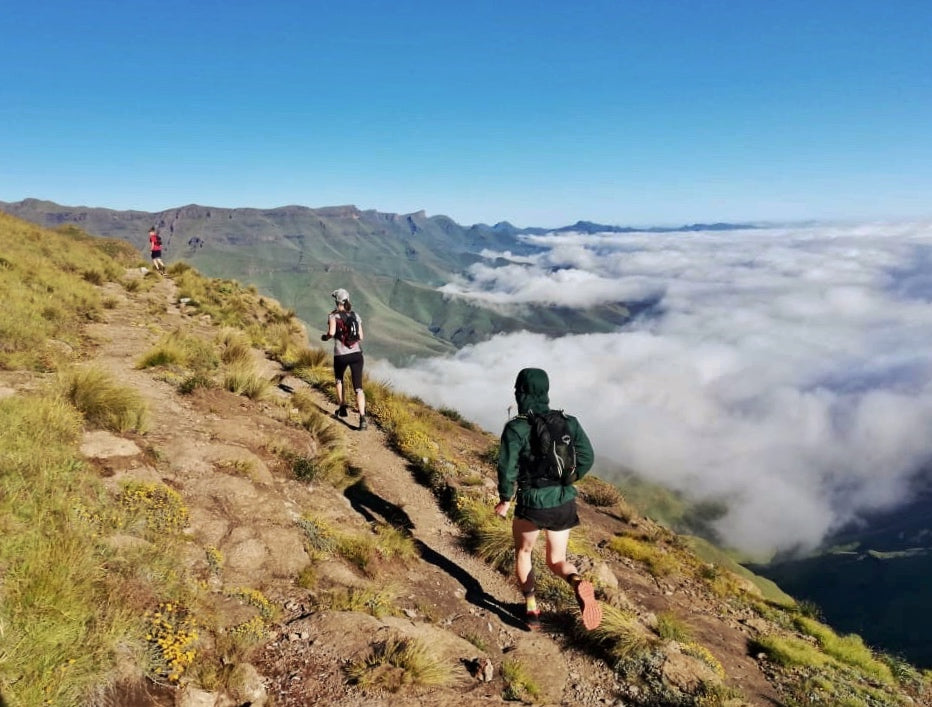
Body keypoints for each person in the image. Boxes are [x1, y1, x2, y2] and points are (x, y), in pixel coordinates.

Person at [494, 367, 601, 631]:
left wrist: (505, 500)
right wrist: (567, 482)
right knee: (557, 561)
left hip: (532, 504)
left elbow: (507, 469)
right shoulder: (569, 422)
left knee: (524, 552)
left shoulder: (517, 428)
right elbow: (587, 458)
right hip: (563, 503)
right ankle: (576, 581)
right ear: (546, 391)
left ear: (520, 392)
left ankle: (531, 608)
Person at [321, 288, 367, 430]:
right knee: (358, 388)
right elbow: (361, 336)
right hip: (357, 355)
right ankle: (362, 418)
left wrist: (326, 337)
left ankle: (342, 406)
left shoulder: (333, 316)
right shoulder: (356, 316)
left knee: (339, 380)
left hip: (340, 355)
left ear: (336, 301)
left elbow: (332, 333)